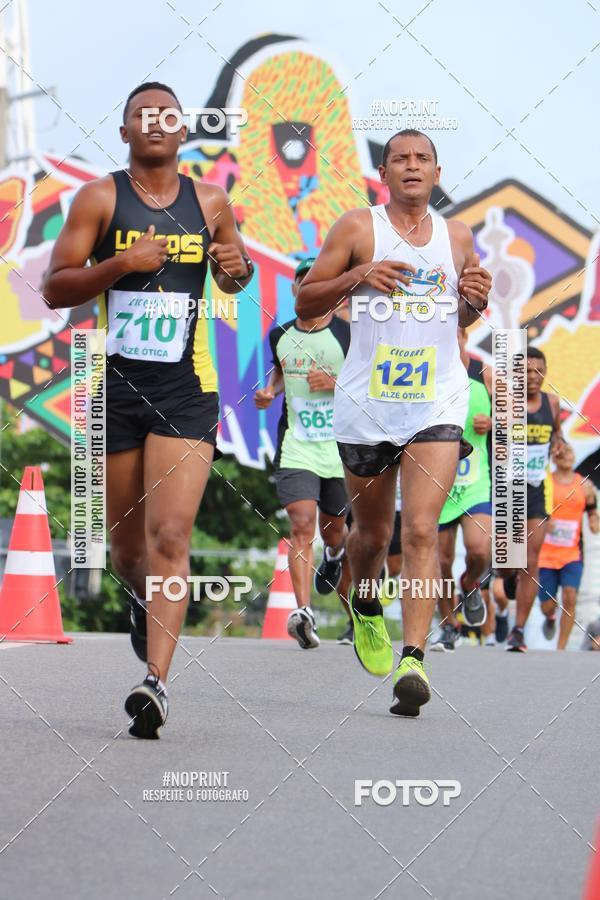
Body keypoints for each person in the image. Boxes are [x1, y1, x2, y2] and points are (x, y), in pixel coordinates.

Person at [43, 82, 253, 738]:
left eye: (167, 114)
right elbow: (55, 287)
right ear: (126, 131)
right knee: (127, 549)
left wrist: (235, 266)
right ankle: (139, 599)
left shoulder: (211, 201)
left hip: (188, 390)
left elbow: (234, 275)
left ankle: (155, 683)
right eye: (142, 115)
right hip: (119, 390)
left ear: (184, 129)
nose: (155, 123)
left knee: (170, 537)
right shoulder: (101, 198)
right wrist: (122, 263)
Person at [296, 129, 491, 716]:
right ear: (384, 173)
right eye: (400, 159)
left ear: (437, 172)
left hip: (436, 402)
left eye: (422, 159)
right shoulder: (357, 228)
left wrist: (475, 303)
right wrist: (358, 277)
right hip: (367, 404)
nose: (412, 166)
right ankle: (366, 605)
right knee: (374, 536)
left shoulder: (458, 236)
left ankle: (414, 660)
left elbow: (462, 315)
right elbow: (306, 303)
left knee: (422, 532)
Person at [254, 258, 350, 649]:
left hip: (341, 448)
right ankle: (304, 612)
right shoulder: (279, 334)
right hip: (297, 445)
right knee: (300, 524)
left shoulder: (347, 334)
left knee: (333, 529)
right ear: (295, 291)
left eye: (317, 281)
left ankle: (334, 553)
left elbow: (371, 384)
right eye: (302, 282)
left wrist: (334, 382)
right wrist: (269, 391)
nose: (308, 288)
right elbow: (280, 371)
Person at [432, 327, 491, 651]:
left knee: (479, 550)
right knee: (441, 561)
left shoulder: (486, 376)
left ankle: (469, 584)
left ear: (465, 337)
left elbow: (514, 421)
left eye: (455, 334)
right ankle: (448, 625)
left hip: (475, 483)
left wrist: (494, 423)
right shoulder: (429, 379)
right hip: (439, 483)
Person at [506, 347, 565, 652]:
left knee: (531, 559)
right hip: (504, 488)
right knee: (506, 559)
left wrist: (558, 445)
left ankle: (517, 630)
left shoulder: (551, 404)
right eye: (526, 371)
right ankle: (503, 576)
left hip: (535, 488)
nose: (532, 377)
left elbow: (557, 435)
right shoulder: (504, 403)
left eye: (538, 371)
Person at [538, 444, 598, 649]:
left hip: (572, 553)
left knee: (570, 596)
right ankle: (550, 617)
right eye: (561, 454)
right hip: (545, 554)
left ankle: (560, 648)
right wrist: (545, 521)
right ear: (555, 459)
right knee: (547, 605)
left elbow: (591, 511)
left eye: (570, 453)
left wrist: (593, 520)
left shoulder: (585, 486)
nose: (566, 457)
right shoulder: (545, 483)